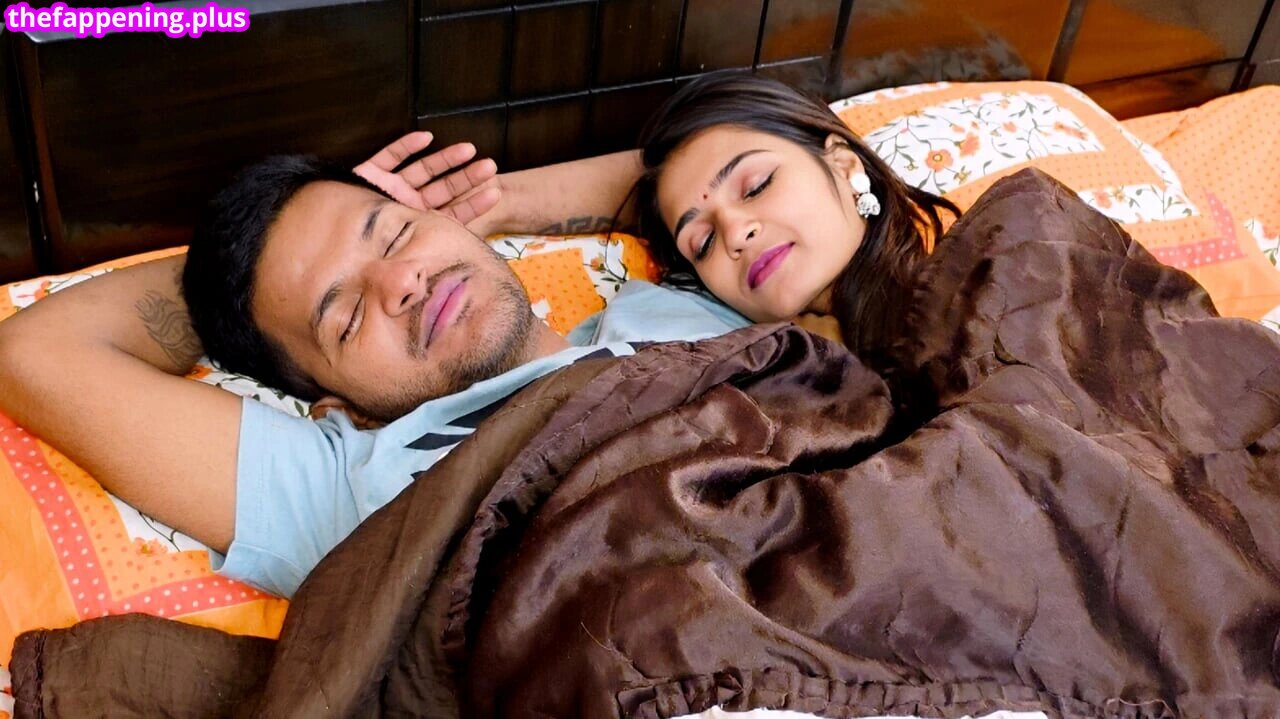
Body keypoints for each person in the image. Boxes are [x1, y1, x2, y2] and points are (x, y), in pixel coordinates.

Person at [0, 134, 743, 597]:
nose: (401, 282)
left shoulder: (687, 302)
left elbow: (719, 155)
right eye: (347, 317)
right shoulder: (357, 490)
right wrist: (234, 282)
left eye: (393, 236)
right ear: (341, 406)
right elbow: (35, 353)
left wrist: (495, 203)